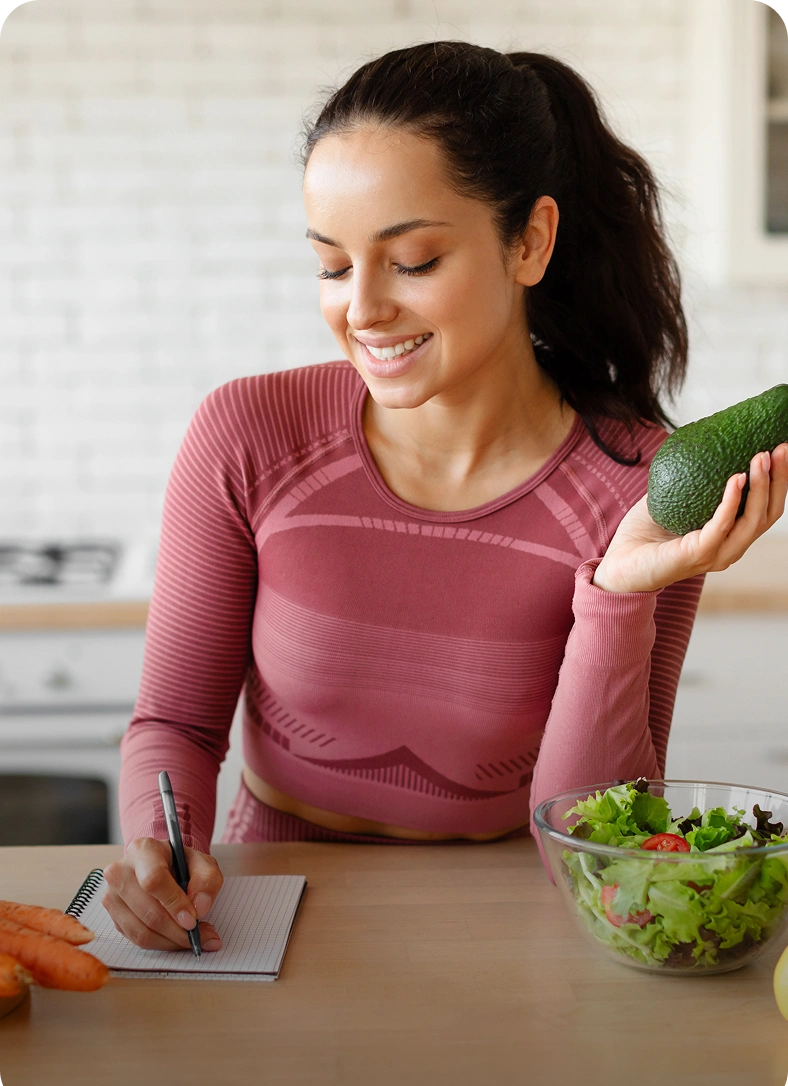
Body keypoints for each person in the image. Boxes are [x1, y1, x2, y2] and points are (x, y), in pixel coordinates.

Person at [102, 42, 788, 953]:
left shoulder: (644, 489)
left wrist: (619, 591)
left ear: (530, 241)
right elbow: (178, 724)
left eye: (414, 260)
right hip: (255, 926)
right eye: (333, 266)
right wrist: (158, 849)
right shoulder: (249, 433)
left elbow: (589, 849)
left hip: (512, 939)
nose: (364, 308)